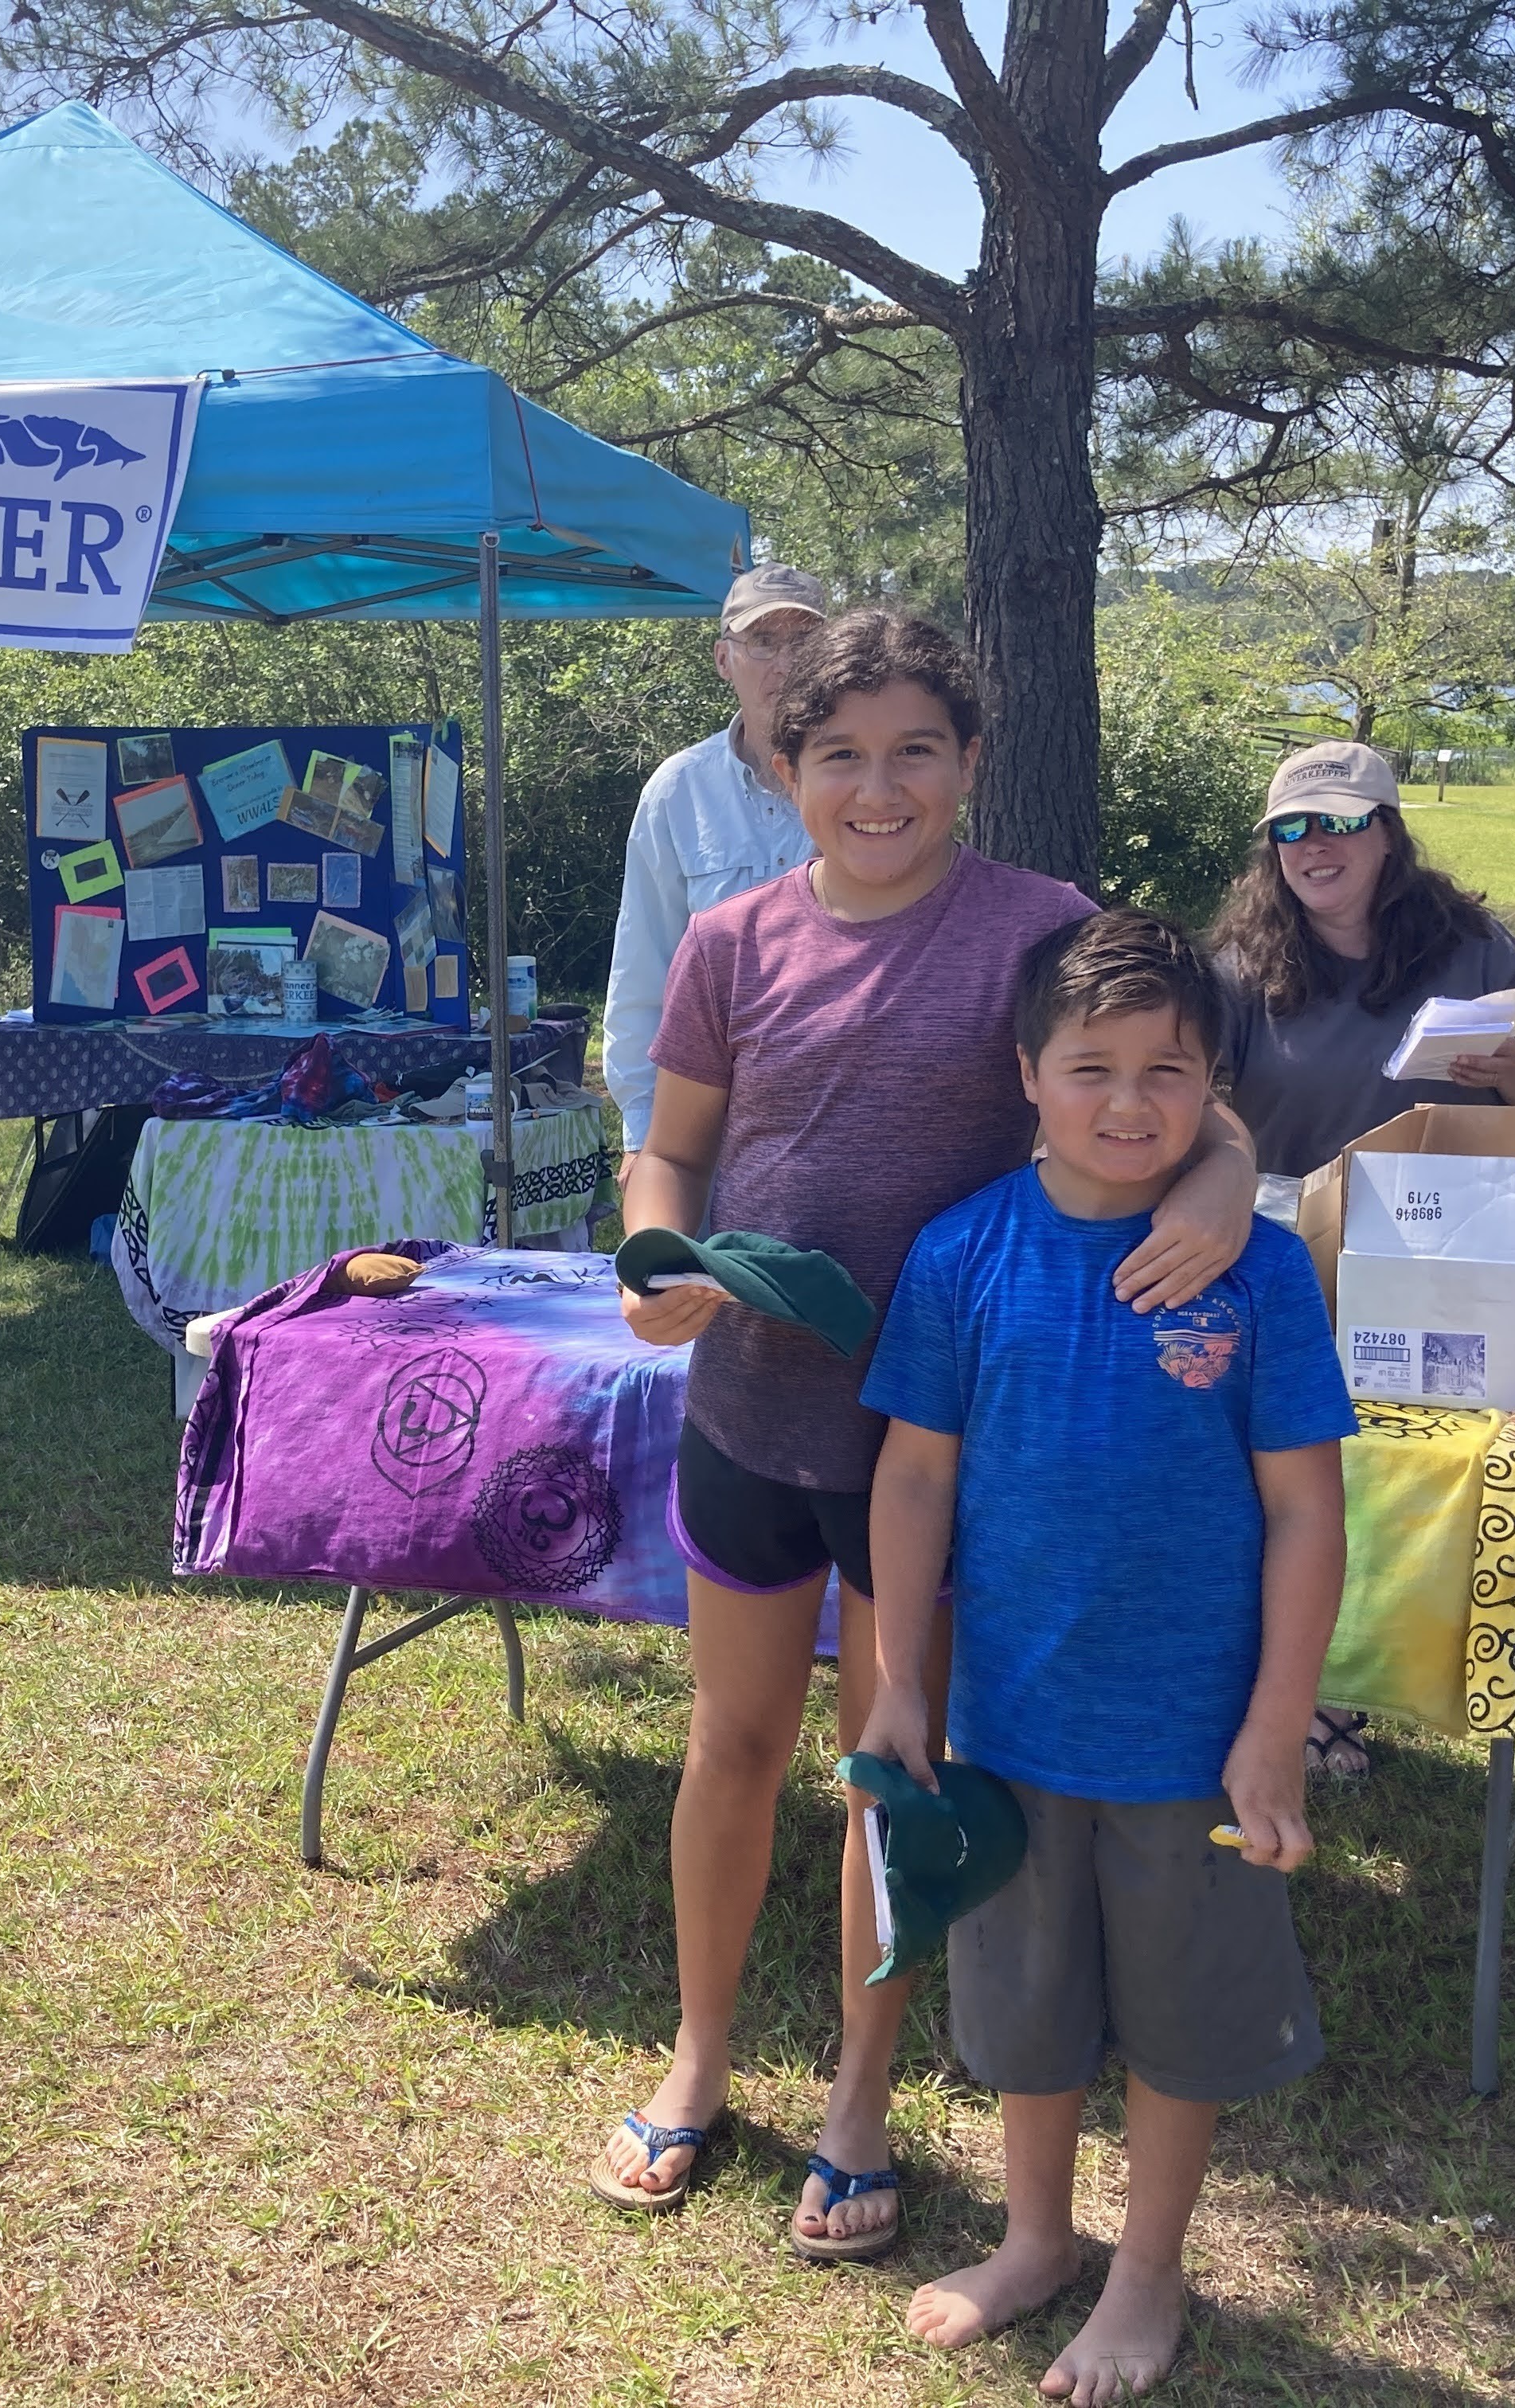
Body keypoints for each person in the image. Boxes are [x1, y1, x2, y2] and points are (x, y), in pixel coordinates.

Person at [589, 611, 1261, 2258]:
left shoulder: (1041, 926)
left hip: (951, 1445)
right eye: (839, 756)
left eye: (914, 752)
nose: (877, 788)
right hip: (752, 1414)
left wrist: (1230, 1182)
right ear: (782, 768)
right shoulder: (732, 941)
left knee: (892, 1768)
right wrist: (654, 1258)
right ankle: (695, 2057)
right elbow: (669, 1154)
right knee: (731, 1752)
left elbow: (1179, 1092)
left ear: (969, 761)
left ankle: (859, 2100)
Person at [857, 909, 1354, 2399]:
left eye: (1169, 1070)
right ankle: (1034, 2236)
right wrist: (897, 1676)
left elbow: (1305, 1512)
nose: (1130, 1102)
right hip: (1008, 1722)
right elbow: (912, 1479)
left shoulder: (1255, 1271)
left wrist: (1275, 1726)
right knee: (1026, 2006)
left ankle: (1146, 2270)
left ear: (1215, 1087)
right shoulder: (961, 1252)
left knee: (1180, 2023)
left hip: (1189, 1740)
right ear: (1026, 1073)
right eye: (1091, 1067)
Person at [1209, 740, 1515, 1781]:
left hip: (1445, 1247)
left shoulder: (1473, 945)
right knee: (1289, 1471)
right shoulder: (1239, 959)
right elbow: (1200, 1101)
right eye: (1292, 828)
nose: (1315, 845)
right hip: (1282, 1254)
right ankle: (1302, 1694)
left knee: (1404, 1480)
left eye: (1340, 822)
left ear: (1388, 830)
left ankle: (1391, 1675)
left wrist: (1509, 1073)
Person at [599, 563, 827, 1171]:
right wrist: (642, 1132)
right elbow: (644, 968)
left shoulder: (869, 786)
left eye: (804, 642)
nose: (784, 663)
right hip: (706, 1125)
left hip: (842, 1115)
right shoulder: (679, 792)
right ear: (724, 659)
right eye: (763, 642)